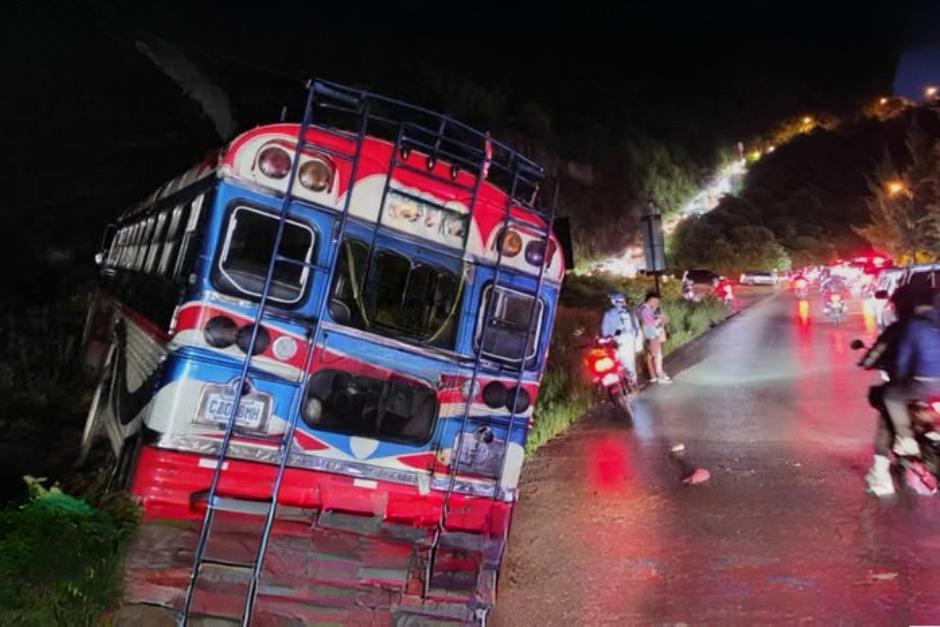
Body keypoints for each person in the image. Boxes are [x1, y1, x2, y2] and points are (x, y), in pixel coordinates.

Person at [861, 284, 923, 495]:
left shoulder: (898, 329)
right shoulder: (933, 325)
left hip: (909, 386)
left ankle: (881, 476)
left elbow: (874, 355)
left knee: (885, 421)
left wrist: (867, 362)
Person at [600, 291, 639, 385]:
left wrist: (607, 338)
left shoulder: (609, 313)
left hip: (615, 341)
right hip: (627, 339)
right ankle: (631, 380)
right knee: (628, 362)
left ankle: (626, 381)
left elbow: (605, 330)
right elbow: (634, 328)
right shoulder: (628, 312)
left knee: (616, 362)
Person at [637, 291, 671, 383]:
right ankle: (660, 376)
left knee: (651, 355)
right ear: (651, 300)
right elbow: (649, 324)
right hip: (651, 335)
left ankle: (653, 376)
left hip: (649, 335)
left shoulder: (643, 308)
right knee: (657, 356)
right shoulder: (646, 310)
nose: (656, 303)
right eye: (656, 301)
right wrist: (660, 319)